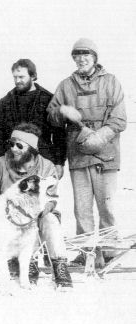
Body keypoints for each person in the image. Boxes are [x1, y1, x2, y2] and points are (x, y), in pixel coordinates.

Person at [46, 38, 127, 264]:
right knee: (82, 209)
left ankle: (109, 252)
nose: (81, 58)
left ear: (95, 58)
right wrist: (62, 111)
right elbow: (51, 115)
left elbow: (119, 120)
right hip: (78, 154)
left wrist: (98, 138)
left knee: (107, 206)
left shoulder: (111, 82)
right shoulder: (65, 85)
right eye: (77, 55)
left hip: (106, 154)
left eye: (86, 54)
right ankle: (87, 253)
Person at [0, 123, 73, 289]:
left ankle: (59, 266)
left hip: (36, 217)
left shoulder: (46, 167)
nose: (14, 149)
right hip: (8, 218)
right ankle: (4, 262)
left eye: (19, 146)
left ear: (32, 149)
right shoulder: (0, 164)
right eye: (11, 144)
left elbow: (52, 197)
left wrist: (42, 209)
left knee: (51, 221)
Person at [0, 59, 66, 179]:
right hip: (12, 161)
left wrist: (59, 163)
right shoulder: (6, 101)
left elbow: (59, 135)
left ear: (33, 76)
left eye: (21, 77)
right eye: (15, 77)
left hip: (42, 160)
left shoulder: (48, 99)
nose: (17, 81)